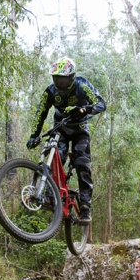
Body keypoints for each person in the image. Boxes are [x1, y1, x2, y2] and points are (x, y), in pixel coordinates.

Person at [27, 57, 106, 224]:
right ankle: (50, 195)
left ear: (72, 77)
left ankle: (85, 206)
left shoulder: (82, 85)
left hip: (80, 129)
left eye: (64, 80)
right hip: (60, 129)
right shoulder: (50, 91)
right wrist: (34, 135)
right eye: (57, 79)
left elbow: (101, 104)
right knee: (54, 157)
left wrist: (84, 109)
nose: (60, 84)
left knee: (82, 164)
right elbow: (40, 113)